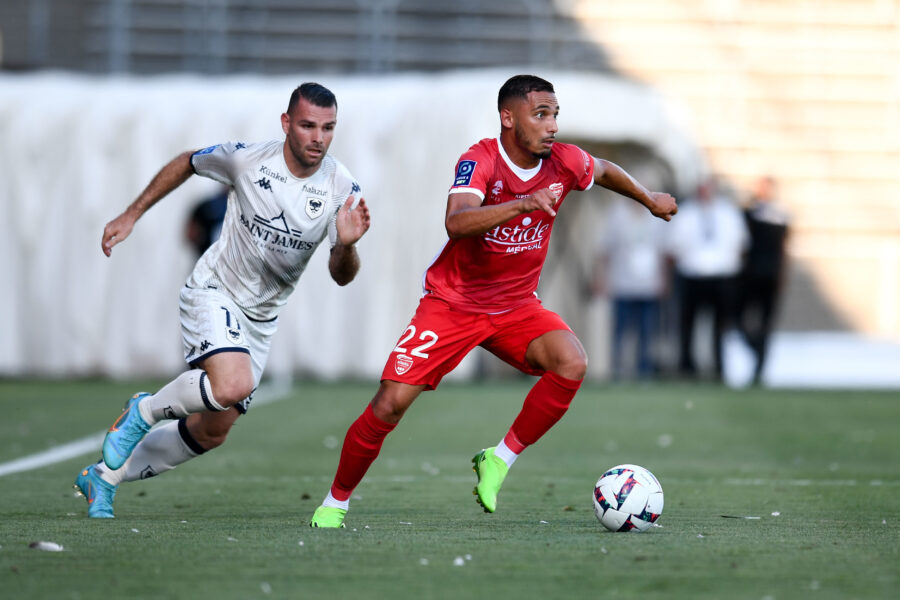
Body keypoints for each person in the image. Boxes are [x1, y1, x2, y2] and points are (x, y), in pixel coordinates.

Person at [309, 74, 677, 528]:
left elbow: (601, 169)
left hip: (517, 306)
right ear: (508, 117)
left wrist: (648, 199)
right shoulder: (480, 159)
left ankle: (498, 460)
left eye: (555, 115)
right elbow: (457, 221)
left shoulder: (564, 162)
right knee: (390, 403)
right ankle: (335, 502)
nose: (552, 126)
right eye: (541, 115)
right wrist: (522, 204)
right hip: (453, 303)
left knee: (571, 362)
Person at [73, 82, 371, 518]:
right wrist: (132, 213)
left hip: (260, 319)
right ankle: (143, 410)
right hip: (214, 290)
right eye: (308, 126)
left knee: (213, 431)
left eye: (328, 128)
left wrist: (346, 247)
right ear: (287, 123)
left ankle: (103, 477)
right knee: (233, 385)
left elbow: (342, 277)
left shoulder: (342, 188)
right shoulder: (247, 159)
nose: (318, 138)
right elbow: (188, 162)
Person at [665, 177, 748, 380]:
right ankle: (687, 367)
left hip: (721, 276)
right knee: (688, 324)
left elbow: (741, 243)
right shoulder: (686, 213)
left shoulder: (727, 212)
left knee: (720, 325)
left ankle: (719, 367)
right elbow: (673, 246)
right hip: (692, 275)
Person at [594, 195, 670, 380]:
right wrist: (602, 278)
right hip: (622, 283)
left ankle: (644, 372)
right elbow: (606, 251)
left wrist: (664, 279)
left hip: (648, 285)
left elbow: (663, 252)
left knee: (647, 330)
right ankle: (618, 370)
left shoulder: (655, 217)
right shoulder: (617, 215)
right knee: (620, 331)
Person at [738, 176, 790, 384]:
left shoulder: (780, 214)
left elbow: (784, 247)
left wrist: (782, 274)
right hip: (750, 275)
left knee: (765, 323)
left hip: (769, 275)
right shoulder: (749, 211)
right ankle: (757, 350)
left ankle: (759, 367)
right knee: (740, 320)